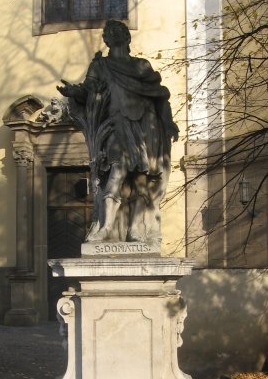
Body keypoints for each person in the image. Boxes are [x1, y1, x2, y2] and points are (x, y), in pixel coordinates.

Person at [57, 20, 179, 243]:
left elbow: (159, 95)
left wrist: (168, 123)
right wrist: (74, 92)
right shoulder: (100, 66)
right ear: (106, 39)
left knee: (141, 178)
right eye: (109, 32)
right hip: (116, 124)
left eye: (118, 31)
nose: (113, 34)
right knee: (117, 169)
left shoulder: (141, 66)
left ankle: (135, 230)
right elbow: (89, 90)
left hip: (145, 124)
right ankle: (105, 228)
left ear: (127, 37)